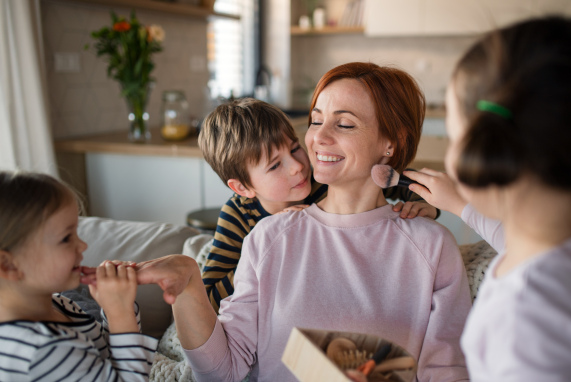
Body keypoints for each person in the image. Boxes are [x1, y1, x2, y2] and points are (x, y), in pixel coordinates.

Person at [134, 62, 472, 381]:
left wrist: (432, 207)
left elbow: (445, 371)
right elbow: (223, 372)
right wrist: (188, 285)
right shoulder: (267, 236)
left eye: (344, 124)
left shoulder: (432, 245)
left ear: (390, 143)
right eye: (315, 120)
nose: (317, 138)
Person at [403, 16, 571, 381]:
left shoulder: (525, 321)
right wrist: (461, 205)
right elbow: (515, 243)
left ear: (484, 152)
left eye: (452, 136)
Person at [197, 98, 438, 311]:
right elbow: (208, 299)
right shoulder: (238, 214)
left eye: (294, 148)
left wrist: (425, 204)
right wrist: (267, 250)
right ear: (243, 188)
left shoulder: (324, 181)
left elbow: (402, 179)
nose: (298, 166)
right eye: (274, 165)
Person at [0, 171, 157, 381]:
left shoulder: (61, 304)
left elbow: (111, 361)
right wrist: (121, 313)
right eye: (66, 238)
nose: (83, 245)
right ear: (7, 264)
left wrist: (116, 308)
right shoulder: (42, 350)